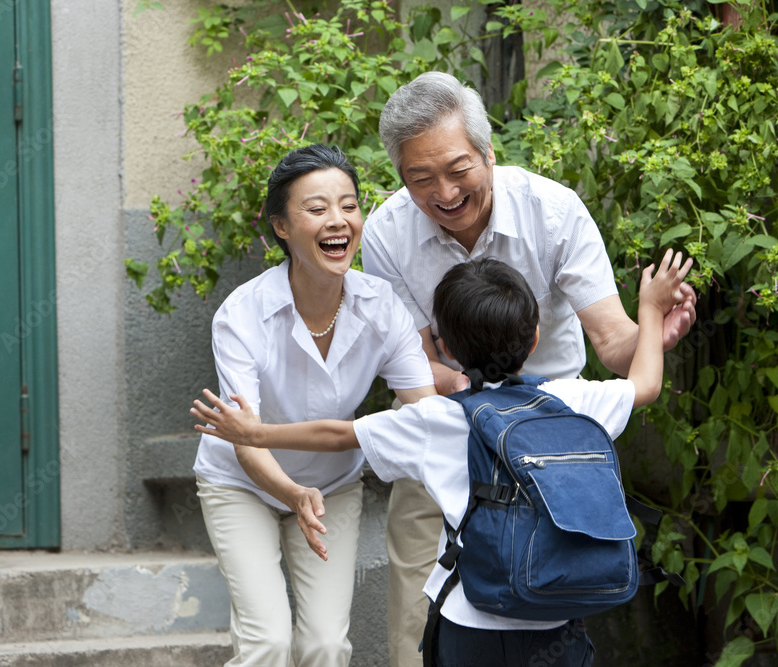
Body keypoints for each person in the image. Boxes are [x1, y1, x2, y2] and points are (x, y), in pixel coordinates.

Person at [192, 251, 694, 667]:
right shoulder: (575, 400)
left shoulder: (438, 419)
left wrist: (255, 431)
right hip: (558, 615)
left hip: (470, 618)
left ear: (448, 349)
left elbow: (337, 435)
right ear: (535, 337)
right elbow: (645, 383)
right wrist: (649, 310)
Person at [362, 71, 698, 665]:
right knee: (419, 606)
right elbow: (416, 365)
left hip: (552, 439)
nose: (442, 192)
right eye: (420, 178)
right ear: (401, 176)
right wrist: (480, 397)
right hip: (442, 421)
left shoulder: (553, 212)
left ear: (489, 153)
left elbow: (614, 342)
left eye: (457, 169)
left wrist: (653, 334)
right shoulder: (387, 232)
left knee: (551, 602)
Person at [192, 143, 436, 666]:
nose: (339, 220)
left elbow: (425, 410)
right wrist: (291, 492)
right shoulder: (242, 315)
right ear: (281, 226)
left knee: (326, 644)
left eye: (349, 205)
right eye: (317, 208)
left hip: (332, 486)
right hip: (242, 485)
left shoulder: (381, 307)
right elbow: (244, 437)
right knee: (267, 641)